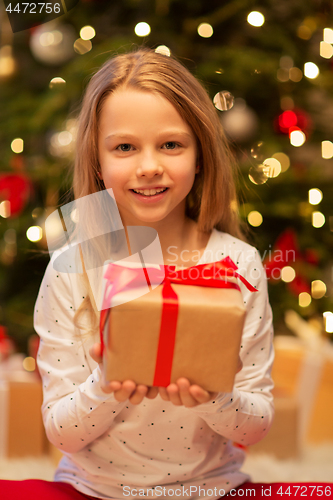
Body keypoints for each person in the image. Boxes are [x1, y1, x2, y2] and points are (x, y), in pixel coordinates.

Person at [2, 46, 276, 499]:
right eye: (125, 147)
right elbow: (61, 432)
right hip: (92, 489)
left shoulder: (239, 267)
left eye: (171, 144)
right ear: (97, 159)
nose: (149, 166)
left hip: (210, 488)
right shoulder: (74, 268)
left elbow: (257, 424)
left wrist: (212, 395)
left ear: (201, 152)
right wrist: (109, 380)